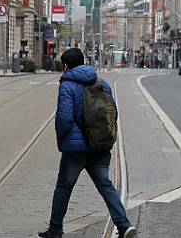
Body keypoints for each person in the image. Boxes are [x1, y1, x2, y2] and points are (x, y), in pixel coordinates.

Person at [39, 48, 136, 238]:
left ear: (66, 66)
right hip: (99, 145)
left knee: (64, 187)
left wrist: (62, 137)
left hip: (76, 148)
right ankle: (124, 225)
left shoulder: (67, 85)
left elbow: (64, 118)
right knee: (106, 186)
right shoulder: (102, 83)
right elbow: (111, 112)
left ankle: (55, 229)